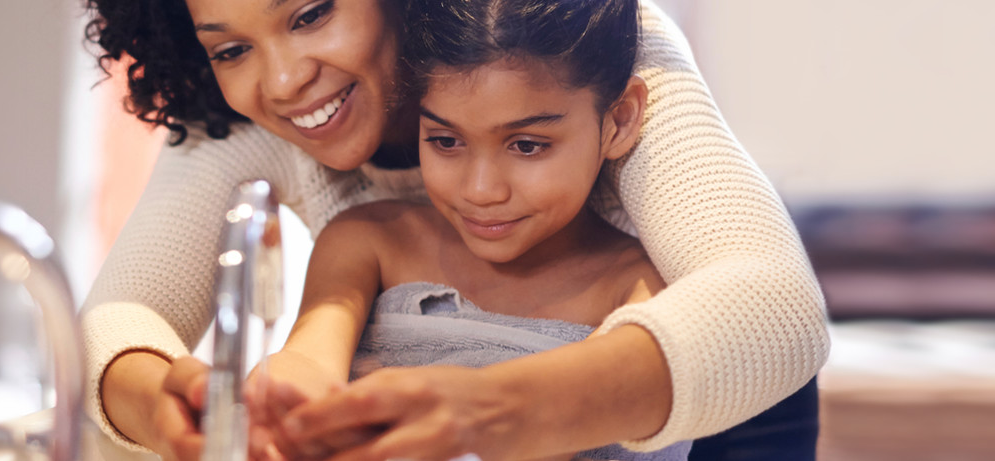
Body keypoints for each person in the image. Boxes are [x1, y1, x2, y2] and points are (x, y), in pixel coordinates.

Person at [79, 0, 829, 459]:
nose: (281, 81)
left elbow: (777, 308)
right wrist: (164, 406)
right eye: (231, 48)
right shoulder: (244, 121)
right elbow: (113, 318)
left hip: (717, 411)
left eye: (311, 13)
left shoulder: (586, 36)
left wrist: (488, 409)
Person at [244, 0, 690, 459]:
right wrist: (281, 407)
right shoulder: (370, 241)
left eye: (527, 145)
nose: (481, 190)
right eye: (445, 141)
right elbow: (309, 358)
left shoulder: (645, 290)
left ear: (619, 119)